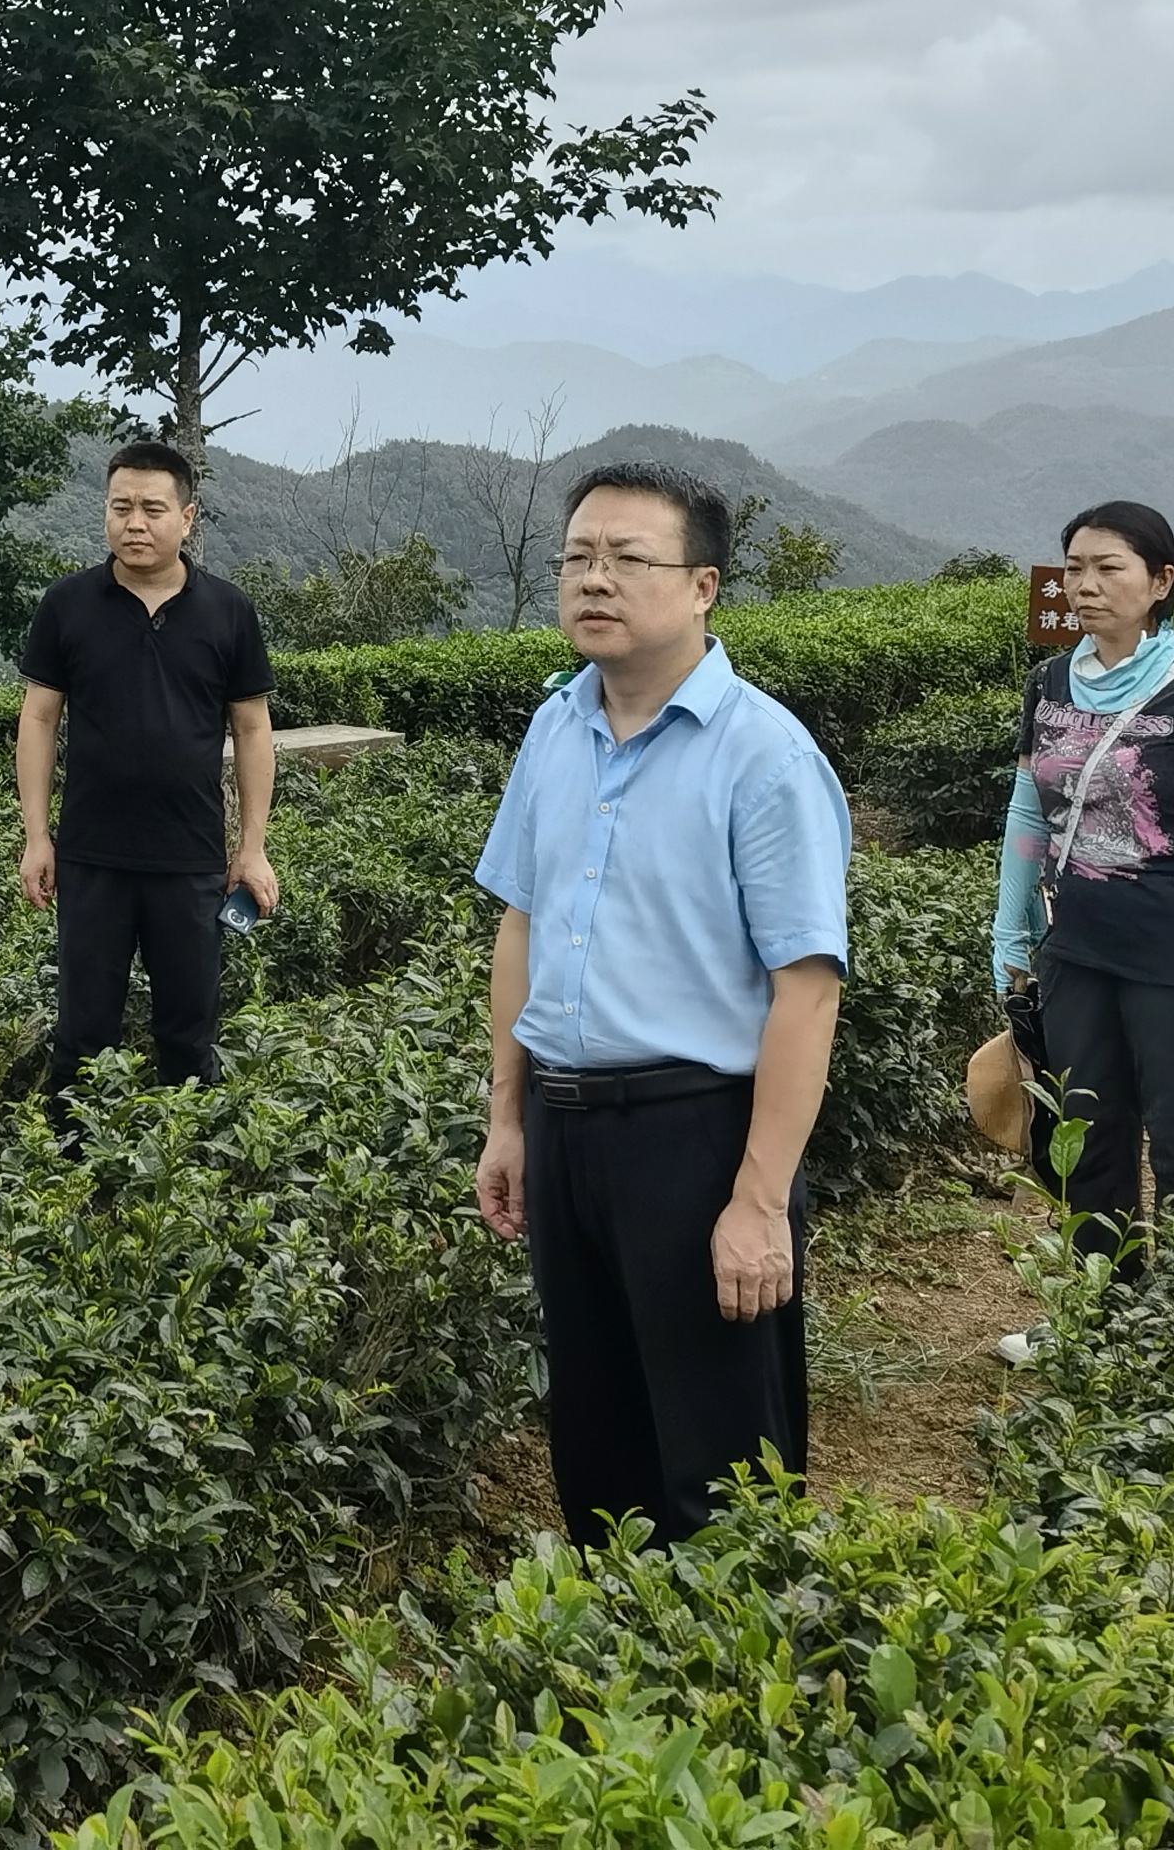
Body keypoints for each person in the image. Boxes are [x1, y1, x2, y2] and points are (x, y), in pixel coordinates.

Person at [470, 461, 851, 1550]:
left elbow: (806, 991)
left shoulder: (765, 756)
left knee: (720, 1456)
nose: (594, 579)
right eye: (578, 557)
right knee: (596, 1433)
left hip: (697, 1135)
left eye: (628, 558)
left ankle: (735, 1645)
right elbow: (521, 925)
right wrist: (507, 1118)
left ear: (701, 587)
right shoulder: (554, 726)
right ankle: (612, 1638)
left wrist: (758, 1200)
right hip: (565, 1128)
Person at [991, 498, 1174, 1308]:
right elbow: (1026, 813)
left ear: (1160, 581)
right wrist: (1011, 928)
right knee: (1085, 1137)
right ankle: (1101, 1315)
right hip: (1077, 954)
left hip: (1173, 961)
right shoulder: (1050, 683)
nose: (1085, 585)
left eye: (1108, 568)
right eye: (1074, 568)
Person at [16, 437, 280, 1102]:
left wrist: (252, 849)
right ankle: (72, 1158)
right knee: (81, 1038)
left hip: (190, 860)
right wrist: (37, 837)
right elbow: (39, 719)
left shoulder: (228, 611)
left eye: (153, 510)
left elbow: (252, 730)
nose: (135, 523)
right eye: (121, 507)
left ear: (187, 518)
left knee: (189, 1038)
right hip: (90, 859)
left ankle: (183, 1158)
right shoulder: (68, 605)